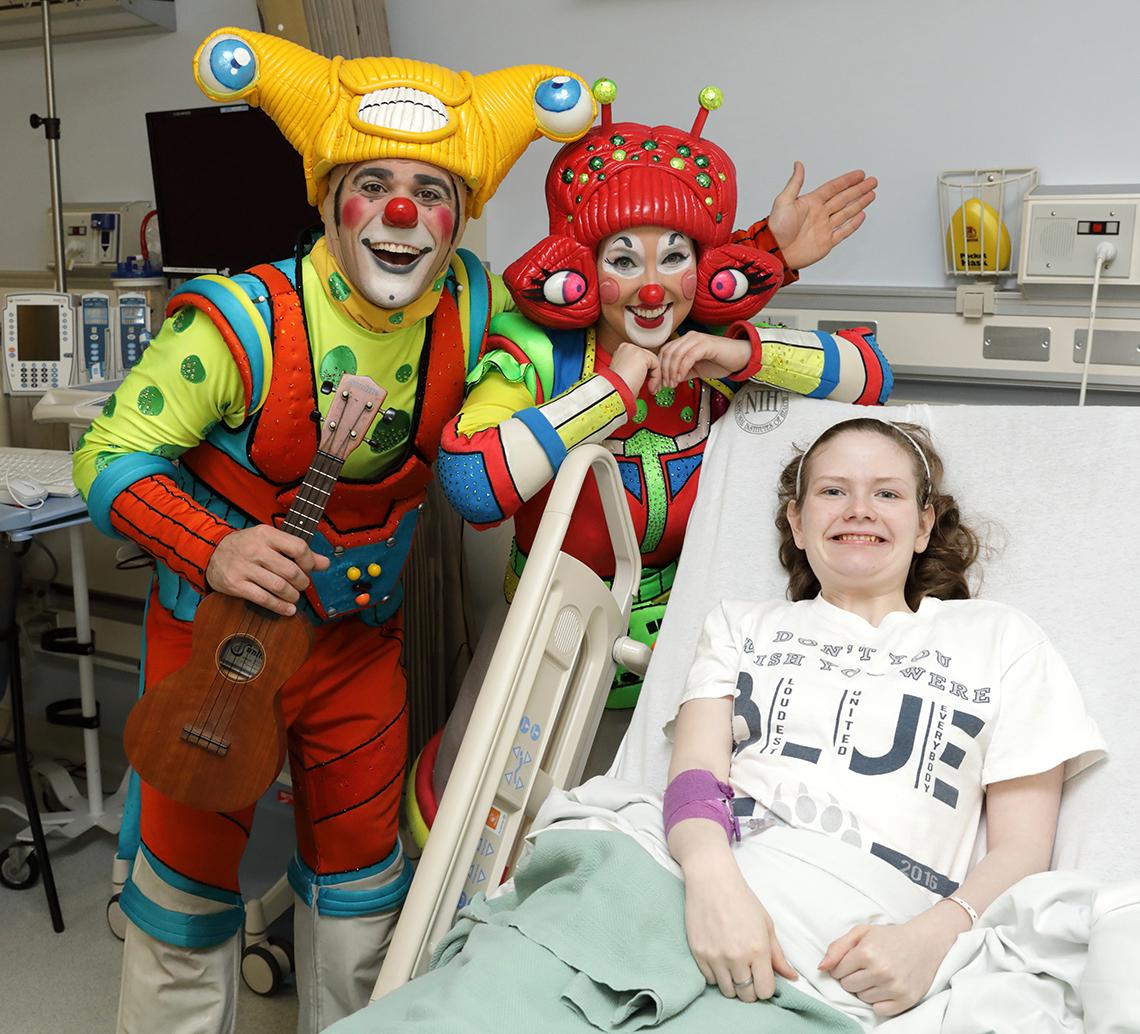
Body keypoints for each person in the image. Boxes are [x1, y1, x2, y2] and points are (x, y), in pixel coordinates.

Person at [72, 26, 604, 1034]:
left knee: (364, 890)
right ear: (327, 200)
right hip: (212, 645)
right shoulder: (236, 318)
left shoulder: (481, 307)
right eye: (375, 182)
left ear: (457, 221)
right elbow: (109, 453)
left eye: (433, 190)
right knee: (182, 894)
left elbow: (610, 319)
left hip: (360, 646)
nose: (404, 211)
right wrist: (212, 543)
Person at [327, 416, 1105, 1032]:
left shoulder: (998, 640)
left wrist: (934, 938)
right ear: (796, 525)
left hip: (842, 946)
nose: (860, 509)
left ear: (926, 524)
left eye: (888, 493)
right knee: (472, 1005)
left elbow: (1022, 848)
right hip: (676, 880)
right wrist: (713, 883)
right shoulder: (745, 625)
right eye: (833, 492)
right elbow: (696, 772)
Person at [423, 79, 889, 812]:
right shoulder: (537, 355)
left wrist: (744, 356)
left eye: (673, 257)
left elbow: (871, 380)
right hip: (550, 637)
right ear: (582, 270)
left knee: (658, 824)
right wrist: (610, 391)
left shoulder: (708, 352)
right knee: (481, 816)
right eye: (622, 260)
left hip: (691, 649)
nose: (650, 289)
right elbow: (472, 485)